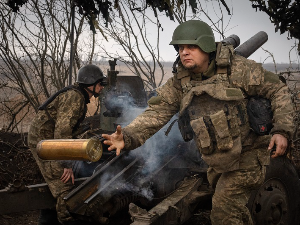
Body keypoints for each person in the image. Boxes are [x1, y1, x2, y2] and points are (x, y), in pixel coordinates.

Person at [102, 20, 294, 225]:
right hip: (218, 159)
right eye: (180, 48)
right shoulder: (180, 82)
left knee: (224, 211)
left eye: (191, 47)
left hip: (248, 154)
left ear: (206, 47)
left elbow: (277, 90)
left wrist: (282, 130)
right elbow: (156, 113)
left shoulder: (238, 69)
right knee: (235, 212)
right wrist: (128, 137)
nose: (184, 52)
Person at [28, 64, 107, 225]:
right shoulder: (75, 97)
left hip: (50, 142)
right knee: (64, 188)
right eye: (99, 84)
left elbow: (68, 131)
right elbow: (62, 132)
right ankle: (66, 220)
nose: (101, 88)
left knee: (56, 185)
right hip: (46, 145)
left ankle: (47, 221)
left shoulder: (77, 96)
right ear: (89, 83)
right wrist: (66, 164)